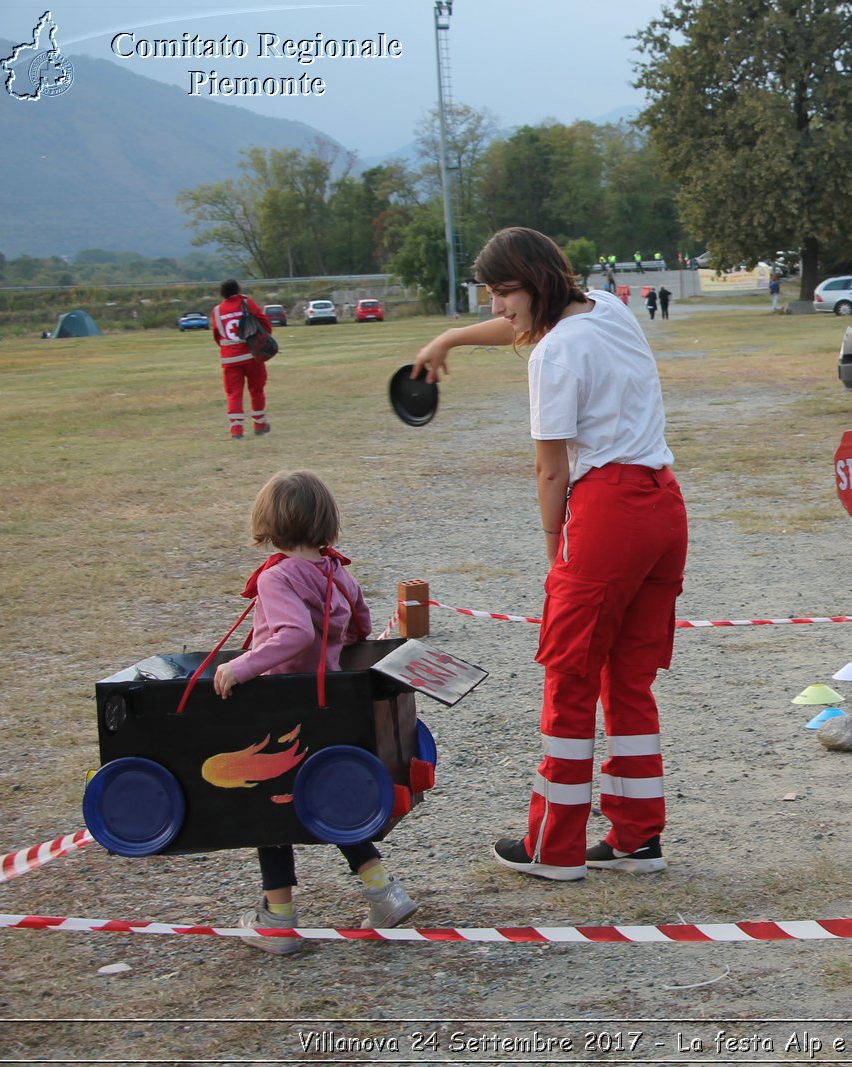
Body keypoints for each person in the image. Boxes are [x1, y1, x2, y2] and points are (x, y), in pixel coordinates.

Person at [412, 227, 688, 882]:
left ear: (530, 282)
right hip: (663, 506)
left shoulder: (554, 356)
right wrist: (448, 340)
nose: (497, 309)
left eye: (502, 293)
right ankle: (636, 836)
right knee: (628, 678)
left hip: (609, 513)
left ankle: (553, 847)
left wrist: (552, 545)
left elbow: (550, 469)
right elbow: (522, 331)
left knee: (568, 674)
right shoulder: (608, 308)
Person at [213, 470, 417, 953]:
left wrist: (242, 667)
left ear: (270, 522)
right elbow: (363, 625)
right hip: (325, 706)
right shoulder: (336, 571)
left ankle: (278, 919)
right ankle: (383, 892)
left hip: (280, 706)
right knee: (329, 800)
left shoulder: (278, 576)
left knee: (271, 807)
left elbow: (293, 634)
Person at [210, 280, 273, 440]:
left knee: (233, 394)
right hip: (251, 355)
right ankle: (259, 424)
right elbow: (264, 324)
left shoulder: (216, 311)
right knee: (256, 390)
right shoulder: (247, 303)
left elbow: (217, 336)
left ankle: (236, 430)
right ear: (238, 290)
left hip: (229, 358)